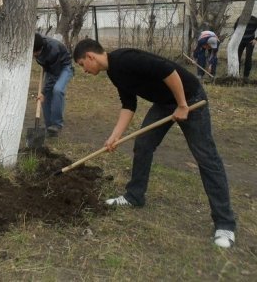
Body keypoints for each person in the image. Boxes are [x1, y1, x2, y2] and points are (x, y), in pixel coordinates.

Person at [72, 38, 236, 249]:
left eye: (82, 65)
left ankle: (225, 224)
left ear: (90, 57)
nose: (84, 70)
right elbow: (129, 105)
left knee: (206, 157)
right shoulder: (114, 72)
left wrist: (183, 105)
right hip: (165, 103)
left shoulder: (126, 59)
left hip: (190, 98)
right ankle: (134, 196)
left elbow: (168, 70)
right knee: (143, 144)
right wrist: (114, 136)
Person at [33, 33, 74, 137]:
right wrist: (44, 93)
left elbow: (54, 76)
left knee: (57, 90)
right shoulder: (36, 41)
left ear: (40, 49)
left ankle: (57, 124)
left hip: (64, 67)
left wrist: (43, 92)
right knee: (45, 97)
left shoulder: (53, 50)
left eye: (35, 53)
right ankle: (49, 127)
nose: (34, 55)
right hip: (51, 68)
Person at [234, 15, 257, 81]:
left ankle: (246, 76)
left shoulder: (254, 20)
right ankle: (236, 74)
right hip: (240, 41)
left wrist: (256, 39)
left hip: (250, 41)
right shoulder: (240, 19)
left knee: (248, 57)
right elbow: (235, 28)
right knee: (237, 57)